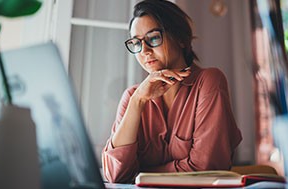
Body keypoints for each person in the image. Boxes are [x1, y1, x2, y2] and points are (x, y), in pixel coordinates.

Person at [102, 0, 242, 183]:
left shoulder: (208, 82)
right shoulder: (133, 97)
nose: (144, 50)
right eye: (136, 43)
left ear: (181, 39)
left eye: (153, 38)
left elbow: (205, 169)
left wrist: (139, 174)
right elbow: (115, 175)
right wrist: (137, 102)